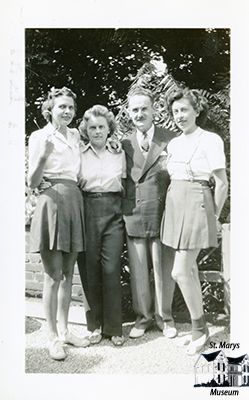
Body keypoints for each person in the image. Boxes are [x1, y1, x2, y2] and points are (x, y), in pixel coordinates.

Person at [161, 88, 228, 355]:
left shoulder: (210, 140)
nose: (179, 115)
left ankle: (200, 329)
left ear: (197, 110)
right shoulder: (174, 144)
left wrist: (213, 217)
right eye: (175, 111)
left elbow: (222, 183)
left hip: (198, 202)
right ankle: (198, 327)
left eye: (184, 110)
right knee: (187, 272)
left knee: (178, 271)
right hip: (175, 202)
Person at [28, 87, 90, 361]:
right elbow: (31, 182)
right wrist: (43, 157)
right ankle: (51, 337)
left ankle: (65, 331)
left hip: (73, 199)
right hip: (51, 200)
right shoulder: (40, 136)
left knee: (68, 272)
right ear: (50, 109)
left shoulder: (76, 135)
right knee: (53, 276)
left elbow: (99, 141)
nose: (66, 111)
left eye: (70, 108)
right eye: (61, 107)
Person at [122, 86, 177, 339]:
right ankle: (142, 318)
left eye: (144, 108)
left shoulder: (170, 139)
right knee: (139, 270)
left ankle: (165, 318)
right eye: (135, 109)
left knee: (163, 268)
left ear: (155, 110)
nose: (140, 113)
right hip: (133, 212)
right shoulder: (122, 144)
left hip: (162, 212)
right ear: (128, 113)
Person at [77, 105, 125, 347]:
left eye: (101, 127)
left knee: (111, 268)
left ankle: (115, 328)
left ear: (109, 129)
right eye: (92, 127)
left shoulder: (119, 151)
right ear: (86, 129)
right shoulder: (78, 153)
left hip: (113, 211)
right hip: (87, 209)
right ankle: (94, 326)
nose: (97, 131)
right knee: (89, 269)